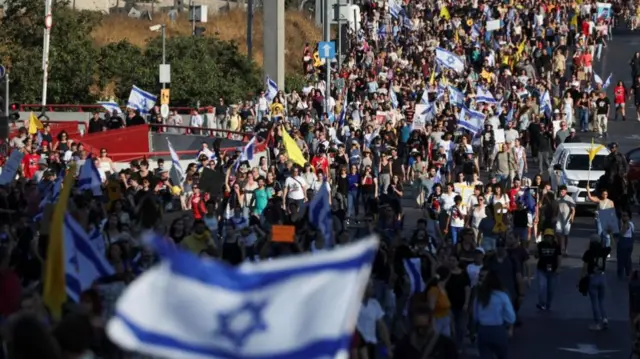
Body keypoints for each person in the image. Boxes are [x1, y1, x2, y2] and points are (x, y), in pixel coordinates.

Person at [473, 268, 516, 359]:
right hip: (498, 330)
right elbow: (511, 317)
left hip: (483, 329)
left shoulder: (479, 296)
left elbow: (475, 316)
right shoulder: (502, 296)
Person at [393, 304, 459, 359]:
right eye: (418, 327)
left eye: (425, 327)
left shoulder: (447, 346)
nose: (421, 331)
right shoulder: (403, 346)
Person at [581, 234, 610, 331]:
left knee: (594, 302)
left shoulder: (588, 253)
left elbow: (584, 268)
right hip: (602, 276)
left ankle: (597, 323)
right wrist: (610, 235)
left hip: (592, 277)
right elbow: (612, 247)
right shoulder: (603, 251)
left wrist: (580, 279)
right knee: (601, 301)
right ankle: (605, 318)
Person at [535, 228, 562, 311]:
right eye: (546, 236)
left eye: (550, 236)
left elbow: (559, 257)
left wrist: (559, 267)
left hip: (553, 270)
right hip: (542, 269)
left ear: (552, 237)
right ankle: (541, 303)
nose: (548, 238)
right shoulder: (540, 245)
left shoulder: (556, 246)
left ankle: (548, 304)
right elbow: (536, 255)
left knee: (551, 289)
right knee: (542, 286)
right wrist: (536, 253)